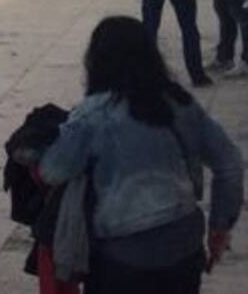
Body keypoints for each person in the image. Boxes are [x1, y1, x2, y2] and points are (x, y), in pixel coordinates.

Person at [39, 17, 243, 293]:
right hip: (183, 240)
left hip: (122, 250)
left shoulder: (93, 114)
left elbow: (54, 170)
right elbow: (229, 164)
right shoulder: (180, 103)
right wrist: (220, 225)